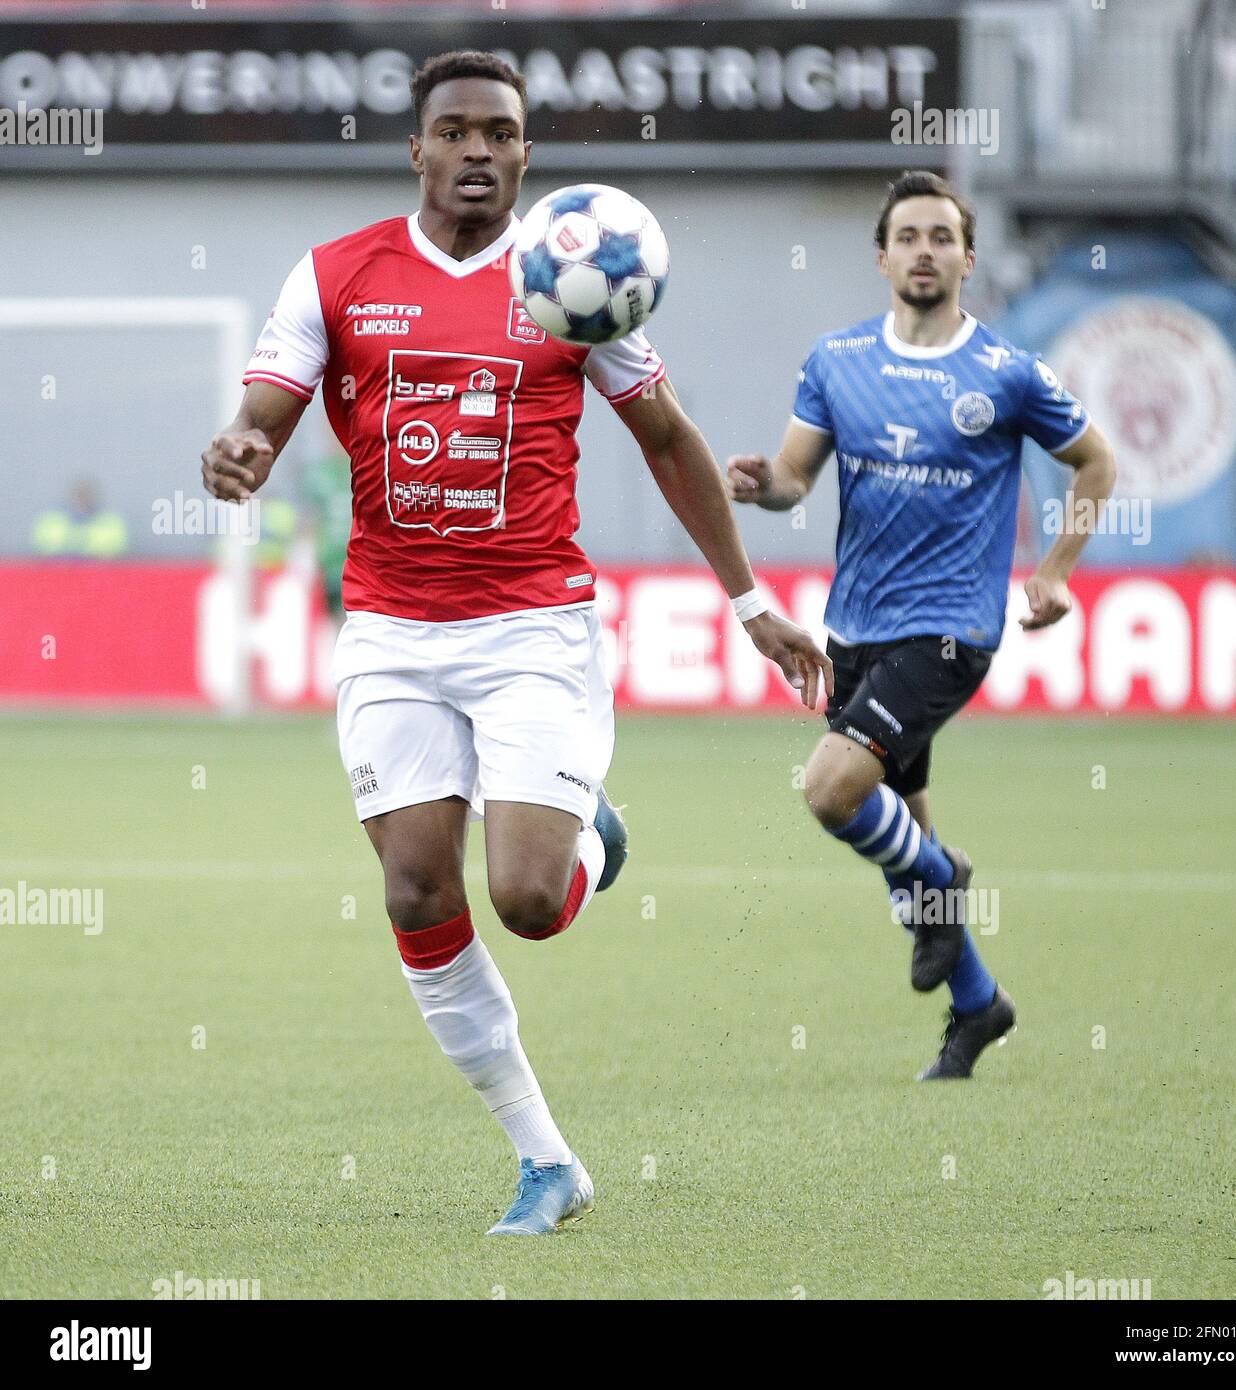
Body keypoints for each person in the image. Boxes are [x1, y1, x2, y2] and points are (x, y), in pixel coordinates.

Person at [200, 50, 830, 1234]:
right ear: (418, 149)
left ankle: (589, 830)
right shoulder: (338, 275)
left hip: (532, 625)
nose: (478, 151)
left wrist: (753, 605)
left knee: (530, 901)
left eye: (501, 132)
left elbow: (667, 439)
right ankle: (547, 1161)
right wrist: (234, 452)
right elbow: (260, 421)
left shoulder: (573, 277)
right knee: (413, 888)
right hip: (389, 628)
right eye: (456, 132)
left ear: (527, 153)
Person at [727, 171, 1116, 1080]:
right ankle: (980, 1006)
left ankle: (949, 877)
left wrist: (1055, 572)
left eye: (943, 236)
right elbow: (794, 475)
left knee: (831, 792)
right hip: (856, 628)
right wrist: (760, 485)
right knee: (901, 837)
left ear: (968, 258)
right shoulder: (836, 360)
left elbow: (1095, 460)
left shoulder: (1009, 374)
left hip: (949, 631)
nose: (925, 250)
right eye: (909, 236)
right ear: (883, 257)